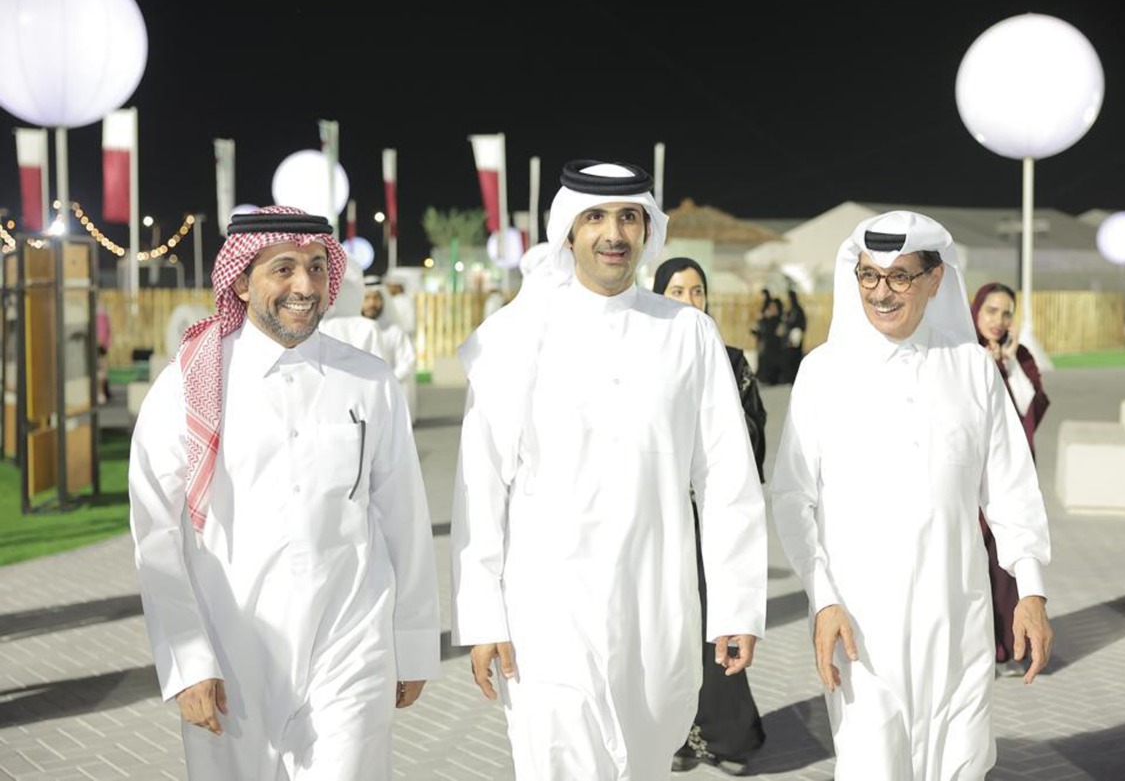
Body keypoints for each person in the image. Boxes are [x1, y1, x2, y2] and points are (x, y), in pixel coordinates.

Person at [450, 159, 768, 781]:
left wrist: (735, 603)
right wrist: (482, 614)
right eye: (595, 217)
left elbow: (727, 478)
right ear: (568, 231)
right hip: (546, 609)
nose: (613, 233)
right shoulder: (514, 336)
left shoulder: (689, 334)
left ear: (648, 230)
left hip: (656, 603)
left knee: (645, 759)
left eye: (628, 217)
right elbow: (481, 485)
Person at [128, 205, 440, 780]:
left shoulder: (369, 380)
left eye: (317, 267)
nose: (305, 285)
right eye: (284, 268)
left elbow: (405, 518)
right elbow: (156, 533)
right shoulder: (188, 385)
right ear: (241, 282)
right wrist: (187, 658)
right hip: (233, 644)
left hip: (351, 639)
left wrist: (414, 640)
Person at [770, 210, 1053, 780]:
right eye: (869, 275)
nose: (881, 292)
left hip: (959, 624)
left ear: (935, 279)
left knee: (962, 765)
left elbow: (1010, 488)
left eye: (899, 276)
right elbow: (792, 498)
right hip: (860, 632)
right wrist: (822, 599)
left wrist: (1031, 590)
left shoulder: (973, 370)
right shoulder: (823, 373)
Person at [652, 256, 767, 776]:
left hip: (711, 517)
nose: (689, 301)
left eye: (697, 291)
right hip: (662, 517)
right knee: (668, 627)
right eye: (676, 291)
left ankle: (726, 735)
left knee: (714, 623)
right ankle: (673, 734)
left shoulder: (731, 360)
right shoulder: (646, 357)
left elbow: (753, 438)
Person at [971, 281, 1051, 677]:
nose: (998, 321)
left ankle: (1008, 647)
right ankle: (977, 649)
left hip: (1009, 478)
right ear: (976, 311)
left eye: (1006, 313)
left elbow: (1030, 406)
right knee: (973, 568)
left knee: (1006, 570)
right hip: (972, 480)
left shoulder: (1020, 357)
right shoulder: (963, 354)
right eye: (991, 311)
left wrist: (1009, 362)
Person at [363, 274, 419, 421]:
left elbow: (407, 361)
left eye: (376, 298)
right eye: (367, 298)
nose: (372, 303)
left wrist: (387, 381)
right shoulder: (353, 332)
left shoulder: (394, 331)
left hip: (389, 399)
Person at [750, 297, 786, 385]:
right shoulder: (765, 320)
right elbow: (757, 330)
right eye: (770, 307)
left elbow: (780, 333)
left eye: (774, 307)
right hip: (766, 348)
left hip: (775, 348)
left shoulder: (780, 320)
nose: (772, 309)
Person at [779, 288, 807, 384]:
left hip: (795, 336)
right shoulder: (791, 310)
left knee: (794, 356)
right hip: (790, 337)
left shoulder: (797, 310)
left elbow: (799, 324)